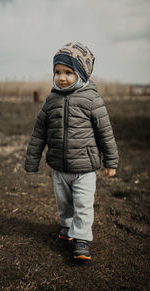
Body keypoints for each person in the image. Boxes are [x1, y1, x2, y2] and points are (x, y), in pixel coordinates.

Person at [25, 42, 118, 261]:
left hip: (85, 168)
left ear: (81, 74)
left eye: (68, 72)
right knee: (64, 203)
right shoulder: (51, 101)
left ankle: (82, 239)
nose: (62, 77)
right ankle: (67, 227)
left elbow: (105, 132)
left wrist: (111, 161)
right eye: (57, 72)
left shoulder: (92, 100)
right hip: (58, 167)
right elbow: (39, 133)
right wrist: (32, 160)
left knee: (83, 204)